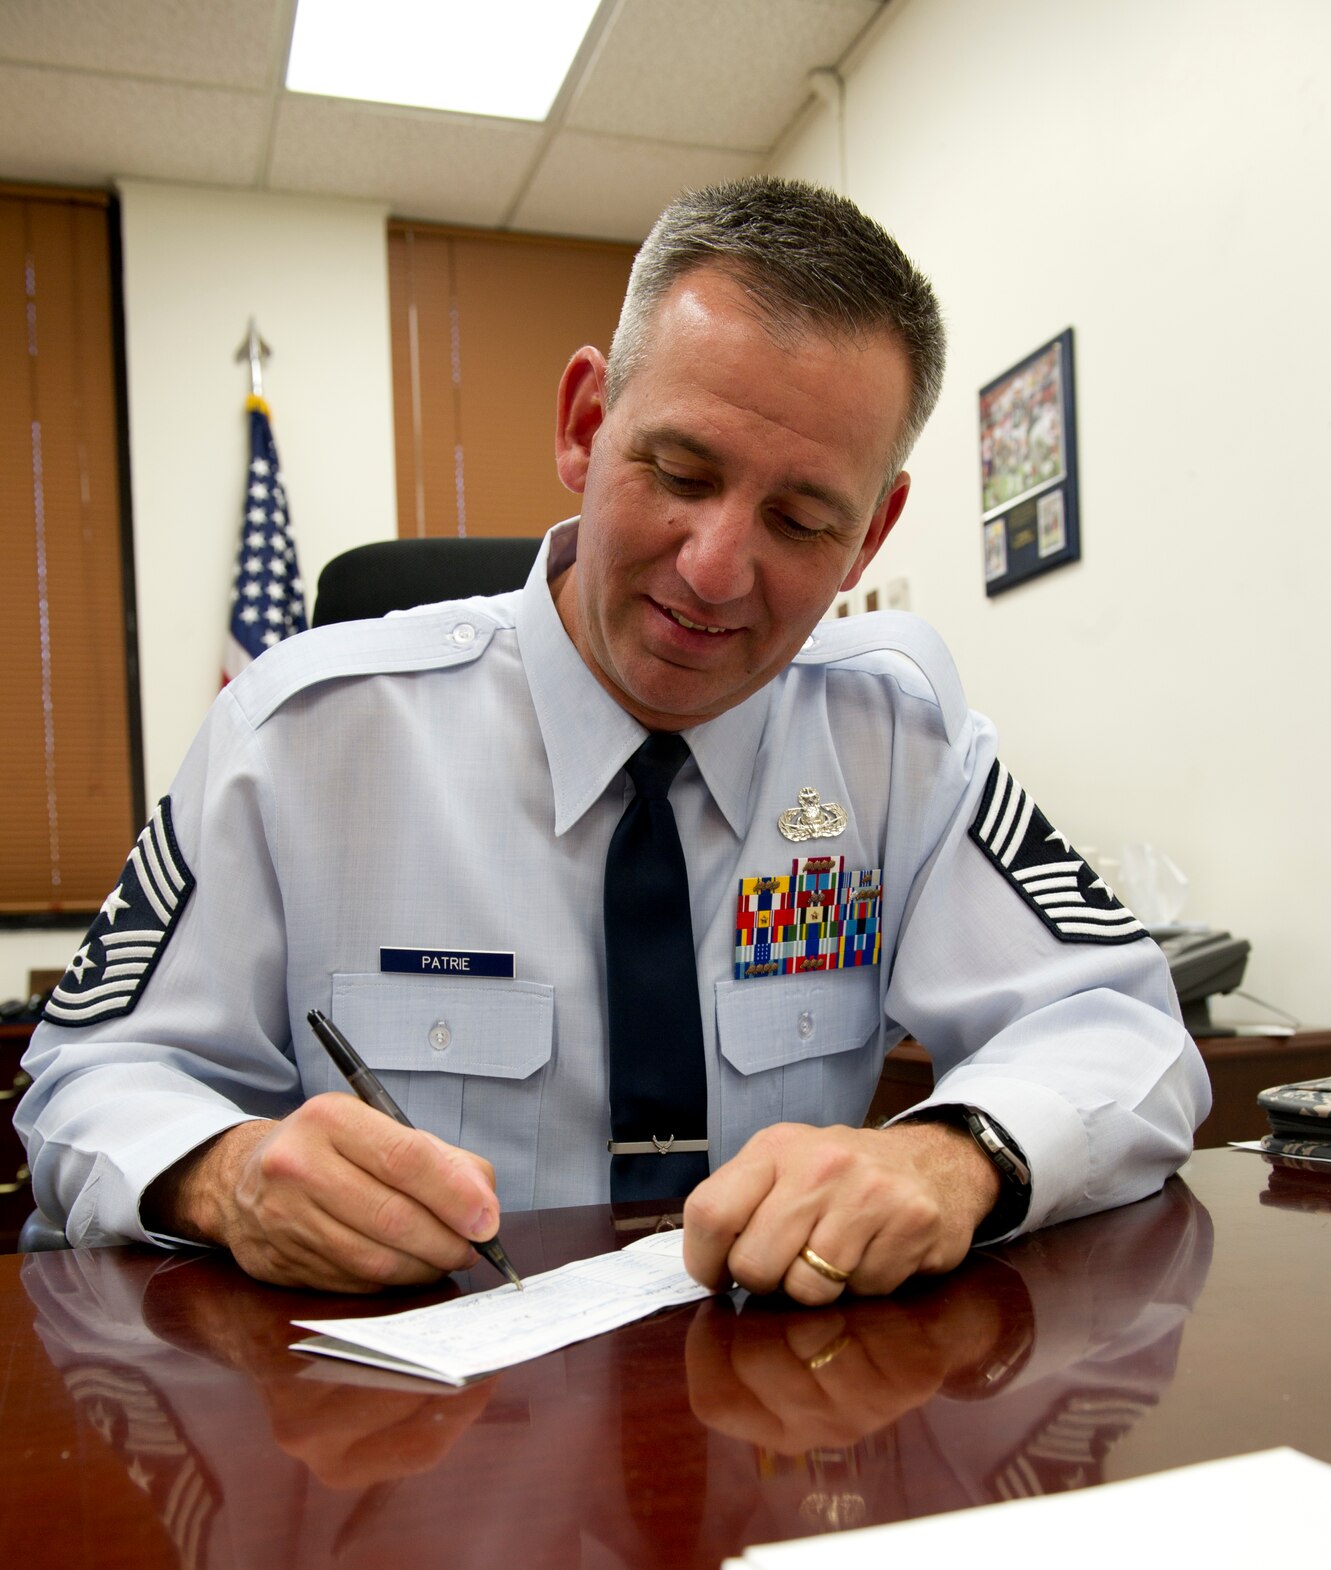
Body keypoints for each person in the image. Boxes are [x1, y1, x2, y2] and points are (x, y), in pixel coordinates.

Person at [18, 178, 1208, 1300]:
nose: (714, 570)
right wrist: (223, 1176)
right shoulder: (302, 732)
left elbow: (1121, 1035)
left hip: (785, 1414)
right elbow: (89, 1079)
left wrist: (956, 1156)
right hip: (412, 1450)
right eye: (679, 471)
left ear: (870, 532)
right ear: (586, 424)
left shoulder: (896, 735)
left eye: (800, 519)